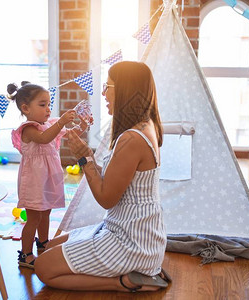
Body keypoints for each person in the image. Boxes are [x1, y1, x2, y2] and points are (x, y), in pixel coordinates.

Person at [34, 61, 171, 292]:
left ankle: (124, 283)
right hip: (128, 228)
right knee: (49, 247)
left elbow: (106, 198)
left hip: (131, 241)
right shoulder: (143, 126)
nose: (103, 93)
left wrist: (83, 159)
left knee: (43, 267)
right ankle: (136, 273)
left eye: (108, 86)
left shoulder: (132, 138)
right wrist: (88, 155)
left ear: (125, 90)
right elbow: (115, 178)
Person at [9, 81, 80, 268]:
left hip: (48, 178)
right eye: (42, 105)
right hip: (34, 180)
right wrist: (62, 121)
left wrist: (82, 125)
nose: (48, 109)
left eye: (49, 104)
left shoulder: (49, 124)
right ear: (26, 108)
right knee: (33, 217)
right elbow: (44, 138)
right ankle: (25, 254)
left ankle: (43, 242)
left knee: (46, 212)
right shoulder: (29, 128)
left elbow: (67, 133)